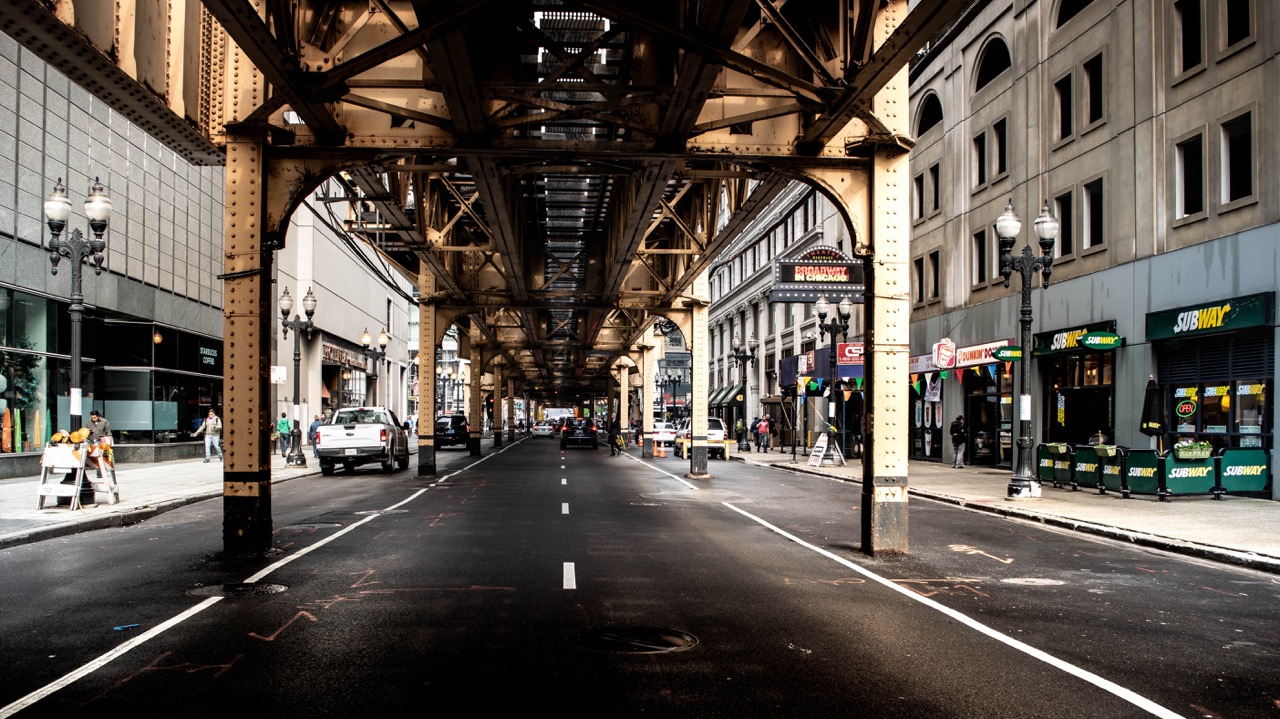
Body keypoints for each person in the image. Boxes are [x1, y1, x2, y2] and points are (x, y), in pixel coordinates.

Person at [86, 410, 113, 478]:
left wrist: (109, 443)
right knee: (95, 457)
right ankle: (99, 471)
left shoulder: (104, 421)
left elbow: (108, 432)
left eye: (95, 418)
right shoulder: (88, 422)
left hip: (101, 441)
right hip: (92, 441)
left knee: (101, 456)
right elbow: (85, 431)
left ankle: (99, 473)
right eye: (92, 418)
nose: (93, 419)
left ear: (98, 416)